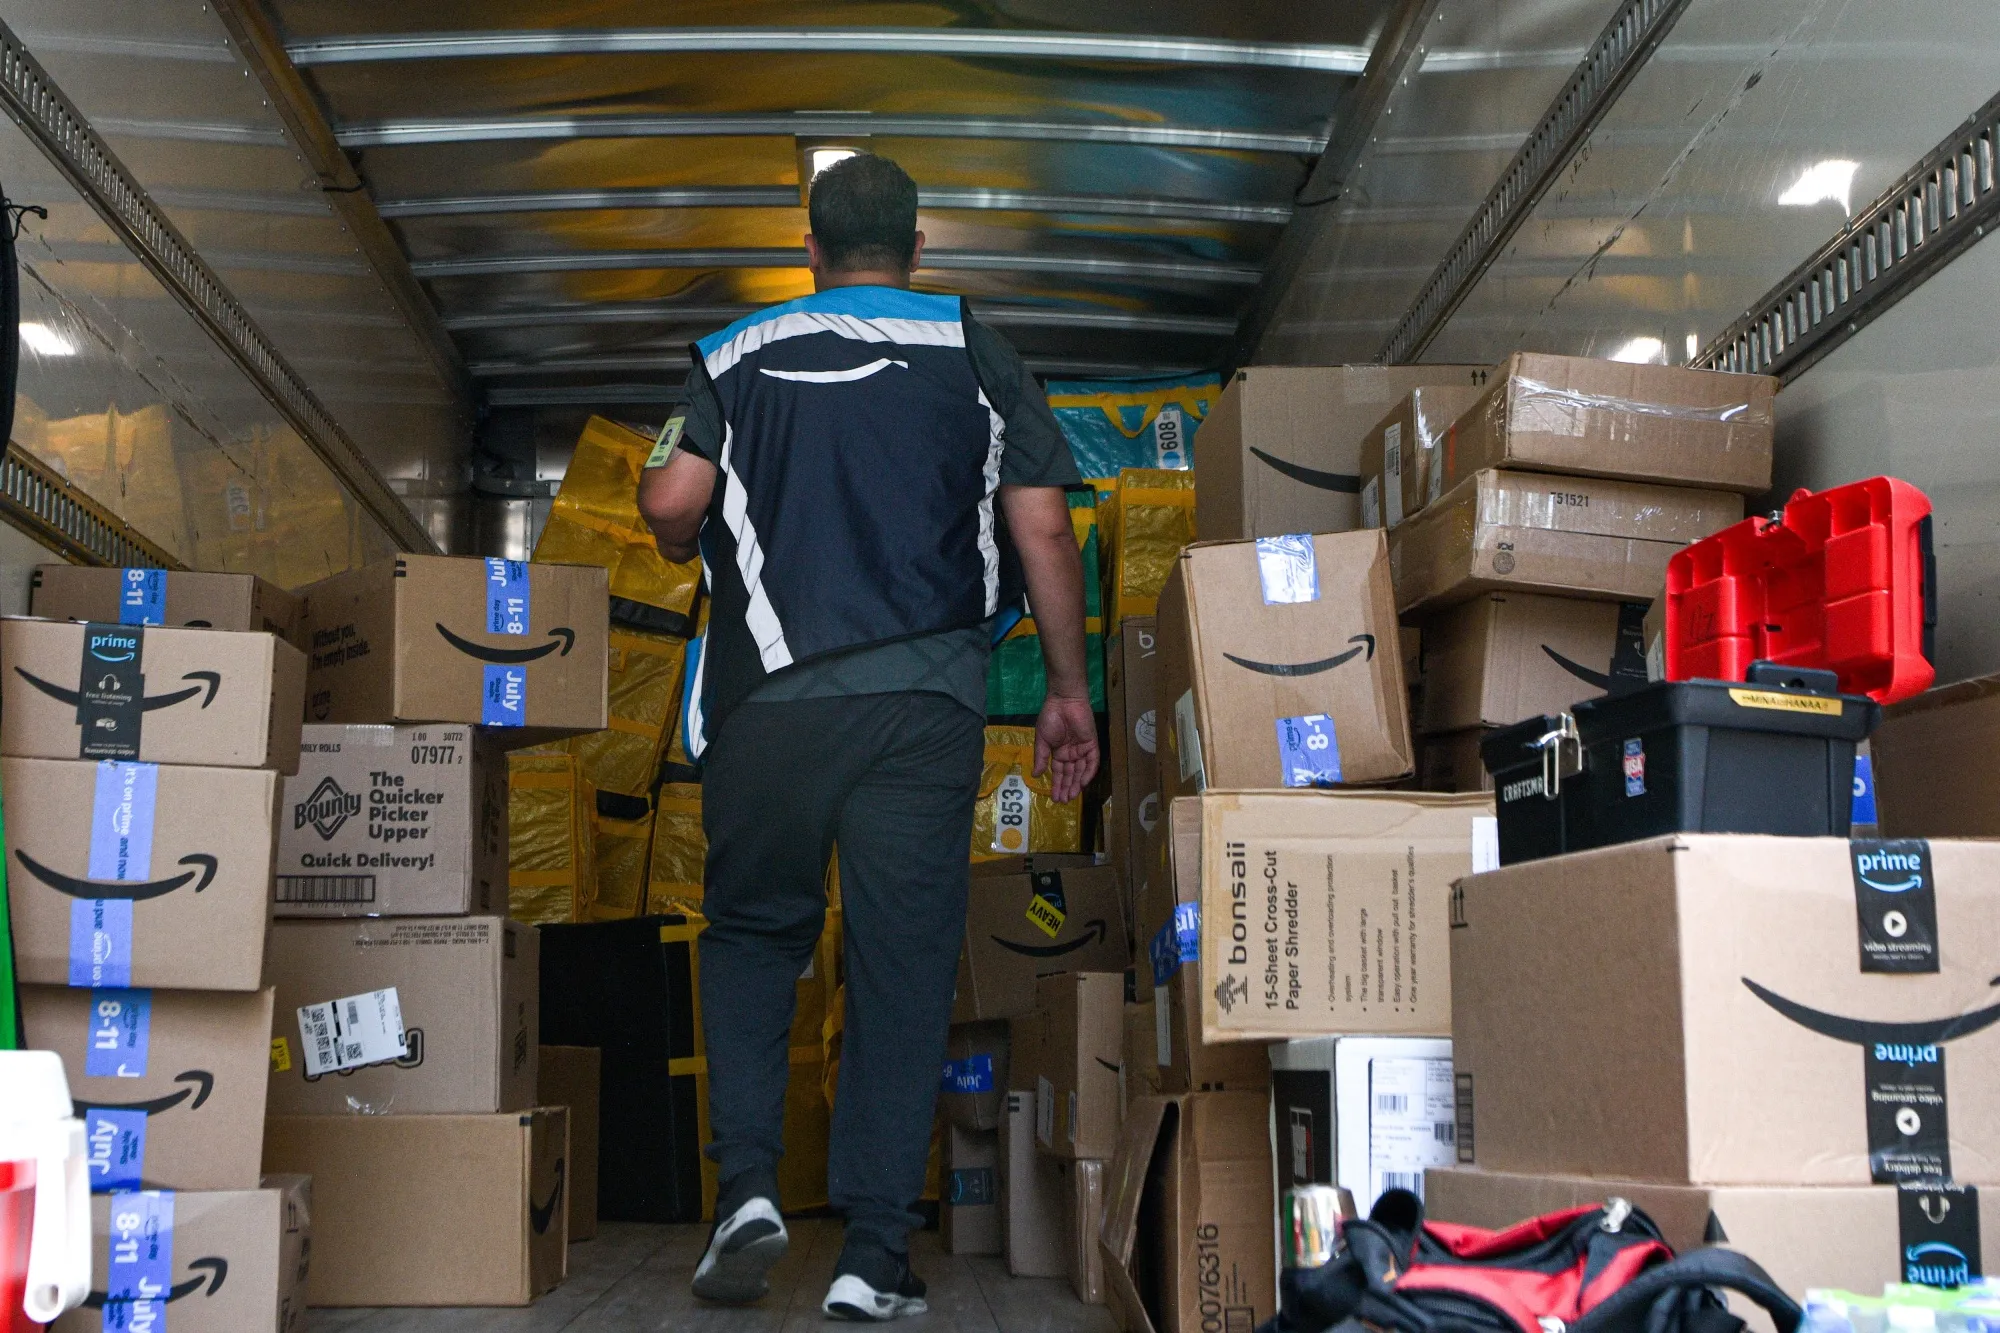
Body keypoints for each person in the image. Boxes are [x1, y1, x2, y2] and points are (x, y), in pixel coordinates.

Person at [636, 152, 1100, 1321]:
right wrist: (1063, 688)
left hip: (767, 708)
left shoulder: (738, 353)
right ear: (916, 248)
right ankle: (871, 1255)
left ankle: (747, 1188)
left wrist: (688, 552)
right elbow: (1041, 528)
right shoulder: (971, 347)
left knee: (751, 939)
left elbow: (669, 503)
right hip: (921, 704)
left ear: (809, 251)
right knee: (898, 970)